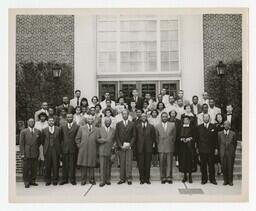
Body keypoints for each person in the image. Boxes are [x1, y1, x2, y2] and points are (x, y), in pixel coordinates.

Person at [76, 115, 98, 185]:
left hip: (92, 149)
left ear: (93, 120)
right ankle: (83, 179)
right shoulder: (81, 128)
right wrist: (80, 146)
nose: (90, 120)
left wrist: (96, 147)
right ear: (86, 120)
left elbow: (98, 139)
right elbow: (77, 138)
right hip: (83, 149)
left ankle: (92, 179)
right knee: (84, 165)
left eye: (91, 119)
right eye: (89, 119)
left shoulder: (96, 129)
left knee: (91, 165)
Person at [115, 109, 136, 185]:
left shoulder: (132, 124)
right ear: (122, 115)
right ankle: (122, 178)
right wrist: (120, 145)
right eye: (123, 114)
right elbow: (116, 136)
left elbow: (134, 136)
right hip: (121, 147)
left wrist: (130, 144)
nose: (125, 115)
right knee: (122, 163)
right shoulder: (118, 124)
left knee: (129, 163)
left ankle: (129, 178)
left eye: (126, 114)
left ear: (128, 115)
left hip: (129, 147)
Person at [19, 118, 41, 188]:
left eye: (33, 122)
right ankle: (26, 182)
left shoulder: (38, 131)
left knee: (34, 168)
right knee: (26, 168)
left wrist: (36, 148)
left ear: (34, 123)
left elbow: (39, 142)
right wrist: (22, 153)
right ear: (27, 123)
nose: (31, 123)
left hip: (35, 152)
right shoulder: (23, 131)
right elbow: (21, 143)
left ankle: (32, 181)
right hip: (26, 152)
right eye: (30, 122)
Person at [155, 112, 176, 184]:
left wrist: (170, 142)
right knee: (162, 163)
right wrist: (159, 144)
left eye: (166, 116)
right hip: (161, 146)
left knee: (169, 163)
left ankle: (169, 177)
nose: (164, 118)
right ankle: (163, 177)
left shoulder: (172, 125)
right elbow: (156, 137)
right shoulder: (157, 126)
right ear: (161, 118)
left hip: (169, 146)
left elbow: (174, 136)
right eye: (163, 117)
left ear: (168, 117)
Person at [197, 113, 218, 185]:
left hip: (211, 149)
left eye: (207, 117)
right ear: (203, 118)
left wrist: (216, 148)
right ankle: (204, 179)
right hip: (202, 149)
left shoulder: (213, 126)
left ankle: (212, 179)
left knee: (211, 165)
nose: (206, 118)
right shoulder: (199, 127)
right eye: (204, 117)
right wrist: (197, 149)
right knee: (203, 166)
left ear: (209, 118)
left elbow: (216, 139)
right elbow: (197, 139)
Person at [59, 113, 79, 185]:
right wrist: (61, 147)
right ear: (66, 118)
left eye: (70, 117)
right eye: (68, 117)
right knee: (65, 165)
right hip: (65, 148)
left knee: (72, 165)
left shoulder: (77, 126)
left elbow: (78, 137)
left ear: (73, 118)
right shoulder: (62, 126)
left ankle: (72, 179)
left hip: (73, 148)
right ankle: (64, 179)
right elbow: (60, 138)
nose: (69, 118)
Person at [136, 113, 156, 184]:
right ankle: (142, 179)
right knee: (141, 165)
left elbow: (153, 137)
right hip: (140, 148)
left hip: (148, 148)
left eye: (145, 116)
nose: (144, 117)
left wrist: (152, 145)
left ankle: (147, 179)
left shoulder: (151, 127)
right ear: (140, 118)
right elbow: (135, 138)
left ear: (147, 117)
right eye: (142, 116)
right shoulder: (137, 126)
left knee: (147, 164)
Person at [41, 117, 61, 186]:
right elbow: (42, 141)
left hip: (56, 149)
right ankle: (48, 180)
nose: (51, 122)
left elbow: (60, 139)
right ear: (48, 122)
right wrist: (47, 146)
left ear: (54, 122)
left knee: (55, 165)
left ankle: (55, 180)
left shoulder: (58, 129)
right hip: (47, 149)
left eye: (52, 121)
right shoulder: (44, 130)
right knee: (48, 166)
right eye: (50, 121)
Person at [218, 121, 237, 186]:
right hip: (222, 153)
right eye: (225, 124)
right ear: (223, 125)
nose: (226, 126)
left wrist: (232, 151)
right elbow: (218, 144)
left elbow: (235, 143)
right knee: (224, 167)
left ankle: (230, 181)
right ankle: (225, 181)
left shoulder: (233, 133)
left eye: (228, 125)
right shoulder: (219, 134)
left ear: (229, 126)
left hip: (230, 153)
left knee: (230, 167)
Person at [97, 117, 115, 187]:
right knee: (102, 166)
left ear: (110, 122)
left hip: (109, 150)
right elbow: (97, 139)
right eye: (106, 121)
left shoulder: (113, 130)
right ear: (104, 122)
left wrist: (114, 146)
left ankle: (107, 180)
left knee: (108, 166)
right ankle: (102, 181)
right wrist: (103, 140)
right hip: (102, 150)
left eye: (109, 121)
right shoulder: (100, 129)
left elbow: (115, 140)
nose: (107, 122)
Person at [178, 116, 195, 183]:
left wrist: (190, 139)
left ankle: (190, 176)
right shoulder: (180, 127)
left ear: (189, 121)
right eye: (184, 120)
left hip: (190, 147)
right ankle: (185, 176)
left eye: (187, 120)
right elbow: (178, 136)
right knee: (183, 161)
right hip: (182, 147)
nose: (185, 121)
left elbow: (195, 136)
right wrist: (181, 139)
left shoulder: (192, 128)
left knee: (190, 161)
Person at [34, 112, 49, 176]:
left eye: (44, 116)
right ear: (39, 117)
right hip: (38, 140)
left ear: (45, 117)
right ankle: (38, 170)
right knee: (38, 155)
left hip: (45, 140)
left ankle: (43, 170)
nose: (42, 117)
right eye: (41, 116)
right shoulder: (37, 123)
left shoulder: (47, 123)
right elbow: (35, 130)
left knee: (43, 155)